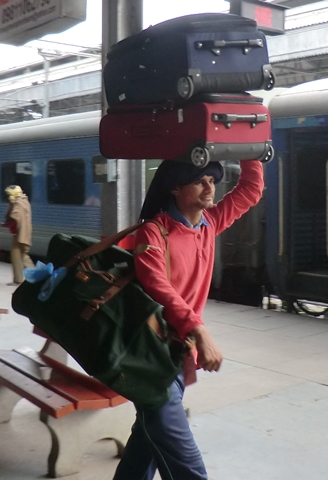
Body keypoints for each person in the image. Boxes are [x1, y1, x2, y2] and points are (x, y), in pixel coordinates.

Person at [113, 159, 262, 480]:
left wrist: (251, 148)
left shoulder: (209, 223)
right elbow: (160, 288)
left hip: (177, 355)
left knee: (146, 441)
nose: (210, 188)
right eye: (200, 181)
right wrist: (200, 331)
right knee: (186, 465)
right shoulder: (153, 233)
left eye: (212, 180)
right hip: (149, 357)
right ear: (175, 188)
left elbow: (250, 190)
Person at [2, 185, 33, 285]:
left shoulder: (18, 203)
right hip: (21, 233)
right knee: (21, 256)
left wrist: (8, 222)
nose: (8, 197)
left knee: (19, 257)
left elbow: (15, 215)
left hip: (20, 234)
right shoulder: (23, 201)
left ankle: (33, 276)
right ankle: (31, 276)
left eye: (9, 195)